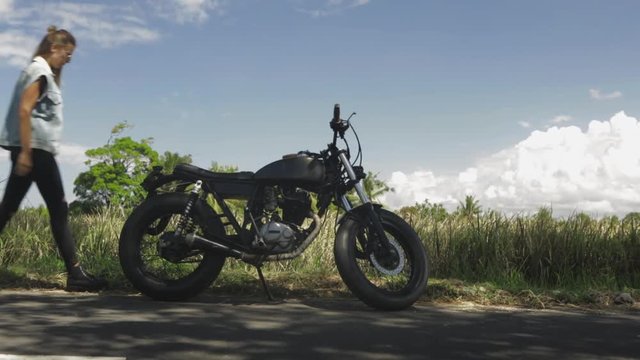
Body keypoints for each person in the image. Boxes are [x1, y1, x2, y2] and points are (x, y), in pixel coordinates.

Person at [0, 26, 107, 292]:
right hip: (35, 151)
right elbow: (25, 111)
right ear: (54, 48)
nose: (68, 59)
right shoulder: (40, 71)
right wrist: (25, 153)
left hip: (33, 150)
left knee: (7, 210)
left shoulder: (40, 71)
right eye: (67, 54)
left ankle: (76, 273)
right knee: (59, 210)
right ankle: (76, 274)